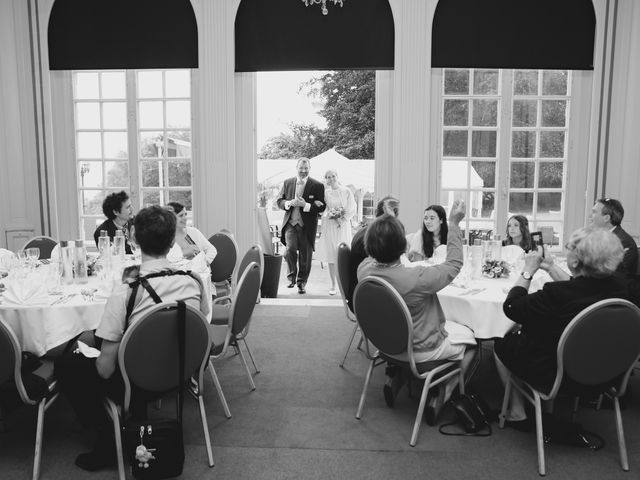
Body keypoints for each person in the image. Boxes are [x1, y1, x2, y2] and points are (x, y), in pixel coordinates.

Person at [55, 205, 209, 472]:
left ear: (135, 240)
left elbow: (104, 371)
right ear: (172, 241)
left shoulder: (126, 290)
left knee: (68, 363)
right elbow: (201, 322)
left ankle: (106, 438)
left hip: (136, 381)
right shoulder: (194, 280)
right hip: (182, 372)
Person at [494, 228, 640, 430]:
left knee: (502, 342)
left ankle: (517, 412)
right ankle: (548, 410)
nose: (567, 250)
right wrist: (551, 267)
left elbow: (512, 308)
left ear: (574, 261)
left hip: (559, 378)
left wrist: (527, 271)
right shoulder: (624, 287)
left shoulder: (557, 295)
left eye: (569, 248)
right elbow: (582, 289)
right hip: (609, 375)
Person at [357, 200, 476, 421]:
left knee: (406, 326)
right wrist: (454, 223)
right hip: (421, 351)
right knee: (473, 343)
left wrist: (388, 220)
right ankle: (443, 392)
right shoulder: (416, 279)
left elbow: (375, 251)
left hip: (384, 344)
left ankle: (398, 376)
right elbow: (454, 265)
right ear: (403, 246)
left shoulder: (363, 270)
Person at [276, 157, 326, 294]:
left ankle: (301, 282)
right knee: (290, 250)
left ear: (310, 168)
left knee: (306, 256)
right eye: (301, 168)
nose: (303, 171)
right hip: (291, 224)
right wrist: (288, 203)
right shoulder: (287, 183)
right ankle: (292, 277)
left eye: (306, 168)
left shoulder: (317, 185)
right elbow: (279, 201)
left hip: (307, 226)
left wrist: (306, 205)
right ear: (296, 168)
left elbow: (321, 207)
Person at [349, 196, 400, 305]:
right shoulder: (379, 237)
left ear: (376, 211)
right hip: (367, 298)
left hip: (357, 290)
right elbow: (388, 267)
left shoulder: (365, 231)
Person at [317, 170, 356, 295]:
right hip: (330, 226)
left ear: (337, 177)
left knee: (343, 253)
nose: (331, 178)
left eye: (333, 176)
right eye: (328, 177)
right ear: (326, 180)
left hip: (343, 225)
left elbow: (352, 207)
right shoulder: (326, 193)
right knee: (331, 255)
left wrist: (342, 218)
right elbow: (325, 209)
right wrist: (330, 214)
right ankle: (333, 285)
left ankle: (345, 284)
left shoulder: (346, 191)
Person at [589, 197, 638, 274]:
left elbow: (614, 274)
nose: (590, 216)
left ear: (606, 218)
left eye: (594, 212)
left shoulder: (624, 243)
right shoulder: (597, 237)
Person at [93, 191, 134, 255]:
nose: (132, 209)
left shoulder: (138, 223)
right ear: (116, 212)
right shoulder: (102, 233)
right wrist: (131, 242)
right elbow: (113, 255)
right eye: (128, 207)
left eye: (131, 205)